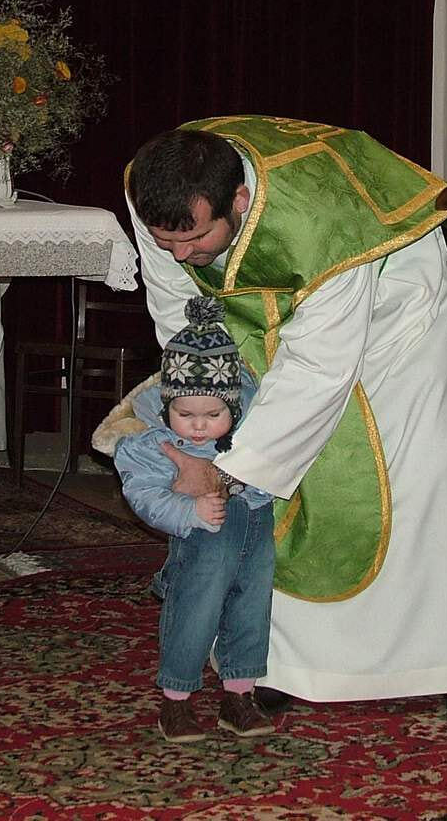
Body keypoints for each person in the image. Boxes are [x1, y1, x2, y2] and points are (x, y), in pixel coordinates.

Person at [125, 114, 447, 708]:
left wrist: (227, 470)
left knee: (414, 471)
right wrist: (201, 397)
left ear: (239, 200)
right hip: (276, 308)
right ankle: (283, 665)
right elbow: (177, 304)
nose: (181, 253)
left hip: (399, 301)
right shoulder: (155, 190)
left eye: (194, 238)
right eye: (166, 240)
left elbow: (321, 368)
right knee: (267, 449)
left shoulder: (324, 220)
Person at [108, 295, 276, 741]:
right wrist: (188, 509)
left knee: (252, 608)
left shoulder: (251, 432)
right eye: (185, 415)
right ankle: (176, 699)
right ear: (167, 406)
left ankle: (239, 695)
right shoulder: (156, 443)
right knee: (194, 609)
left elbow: (278, 466)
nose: (198, 427)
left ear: (233, 407)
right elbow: (143, 493)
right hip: (202, 543)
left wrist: (249, 482)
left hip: (254, 534)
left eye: (213, 415)